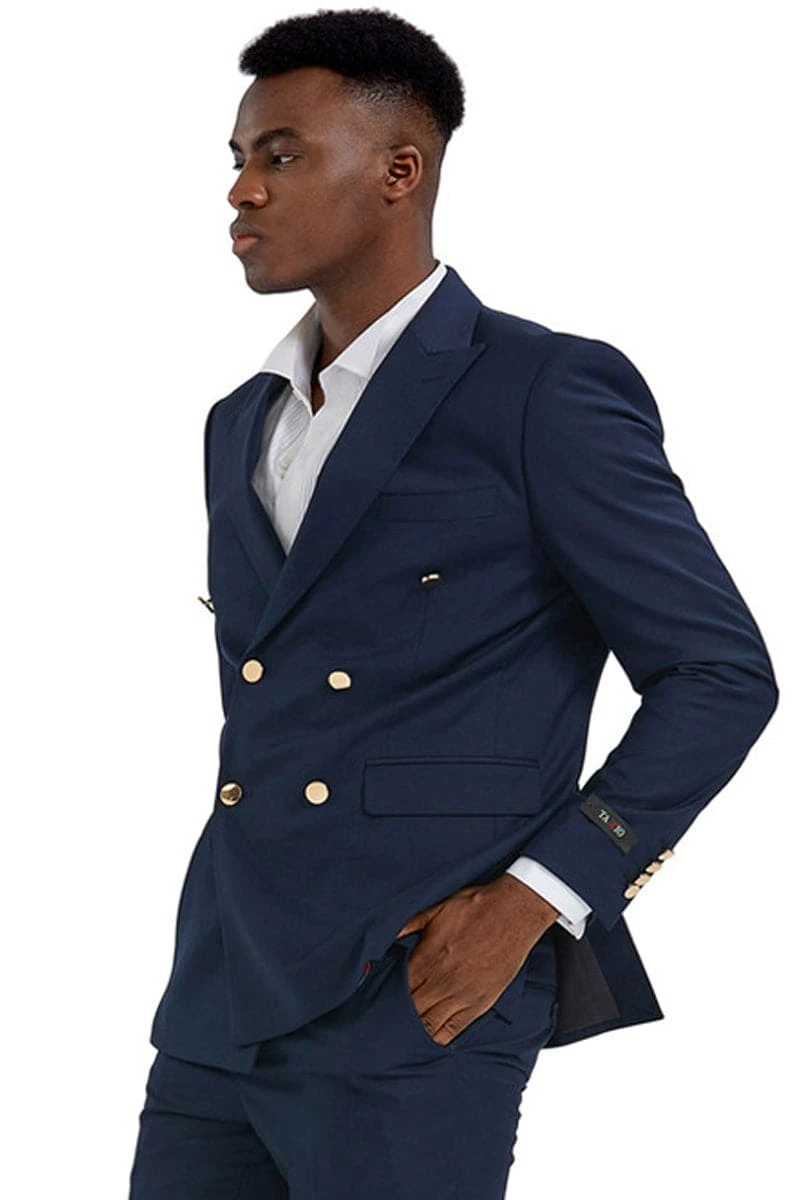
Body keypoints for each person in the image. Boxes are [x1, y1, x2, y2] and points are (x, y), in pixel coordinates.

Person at [128, 8, 779, 1198]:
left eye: (281, 154)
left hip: (413, 998)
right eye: (237, 158)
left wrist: (538, 897)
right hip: (219, 998)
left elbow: (719, 675)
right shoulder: (237, 423)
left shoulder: (541, 390)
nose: (242, 190)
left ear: (399, 171)